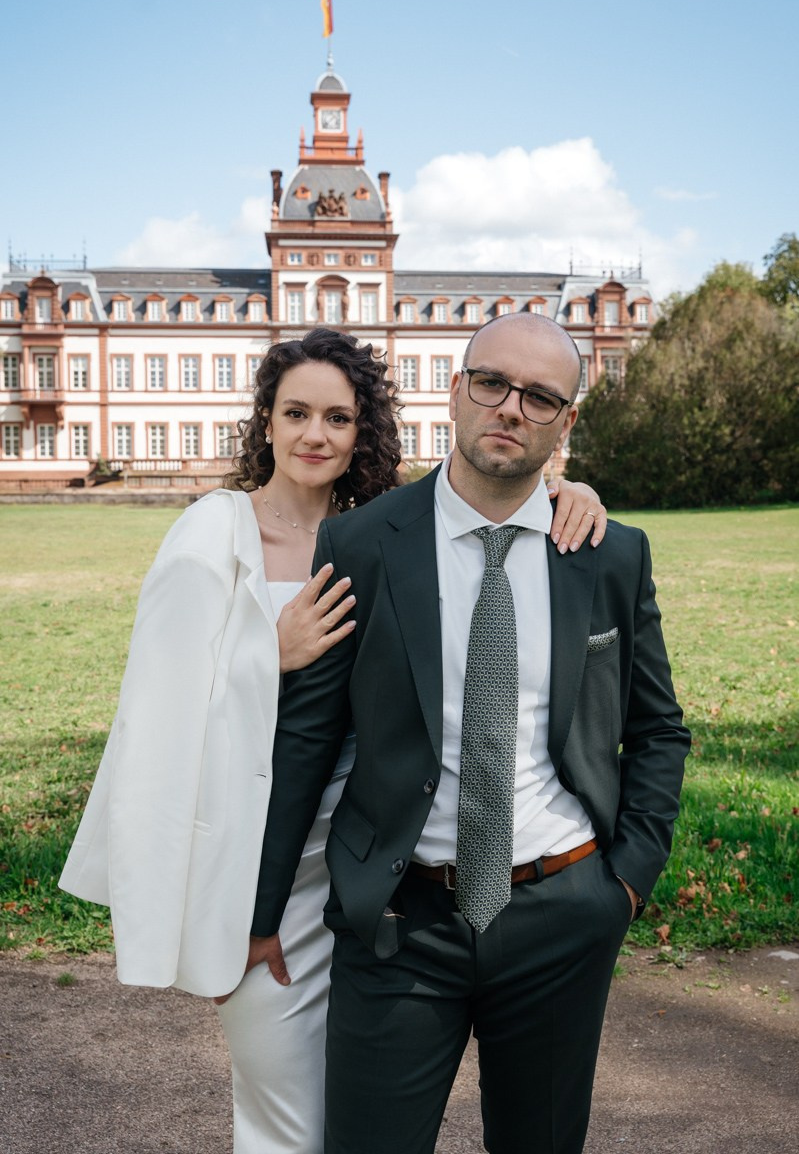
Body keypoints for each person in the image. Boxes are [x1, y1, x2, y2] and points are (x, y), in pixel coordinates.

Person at [58, 325, 607, 1154]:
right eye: (296, 413)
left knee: (355, 1121)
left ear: (364, 431)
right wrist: (264, 657)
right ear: (266, 422)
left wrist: (572, 489)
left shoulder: (373, 535)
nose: (316, 434)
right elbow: (156, 710)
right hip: (263, 857)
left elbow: (490, 501)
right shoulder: (214, 534)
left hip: (372, 875)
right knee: (286, 1120)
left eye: (339, 418)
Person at [252, 313, 691, 1154]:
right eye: (490, 383)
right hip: (399, 921)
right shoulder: (364, 542)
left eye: (539, 397)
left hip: (564, 912)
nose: (509, 408)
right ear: (454, 393)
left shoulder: (607, 554)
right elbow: (309, 735)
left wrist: (626, 881)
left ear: (565, 423)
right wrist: (261, 907)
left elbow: (657, 729)